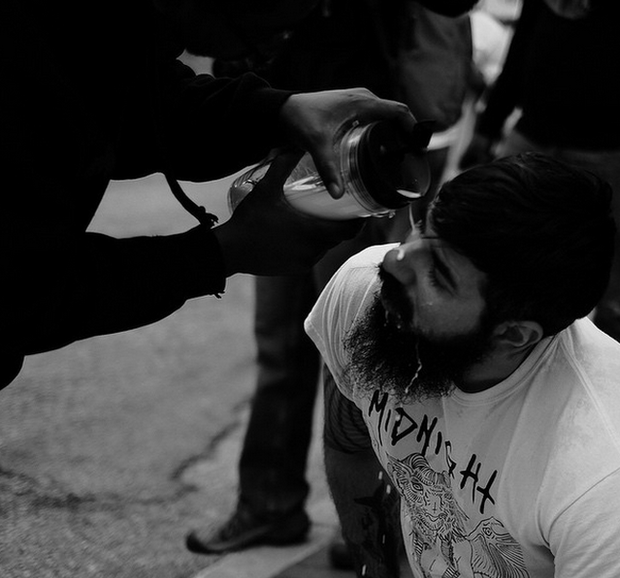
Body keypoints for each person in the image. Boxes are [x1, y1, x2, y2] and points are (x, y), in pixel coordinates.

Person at [0, 0, 425, 390]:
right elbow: (21, 294)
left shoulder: (108, 25)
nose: (297, 26)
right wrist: (220, 253)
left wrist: (277, 111)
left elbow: (142, 103)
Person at [185, 0, 476, 556]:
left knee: (361, 350)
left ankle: (371, 518)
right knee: (281, 345)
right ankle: (269, 502)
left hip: (361, 159)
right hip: (286, 145)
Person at [305, 152, 620, 578]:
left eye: (439, 275)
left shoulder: (599, 474)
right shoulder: (364, 292)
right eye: (421, 227)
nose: (396, 262)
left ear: (513, 334)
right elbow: (349, 445)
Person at [459, 0, 620, 340]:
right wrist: (488, 127)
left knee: (600, 256)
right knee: (498, 236)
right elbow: (520, 51)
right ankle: (491, 326)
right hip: (531, 132)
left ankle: (601, 340)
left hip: (602, 147)